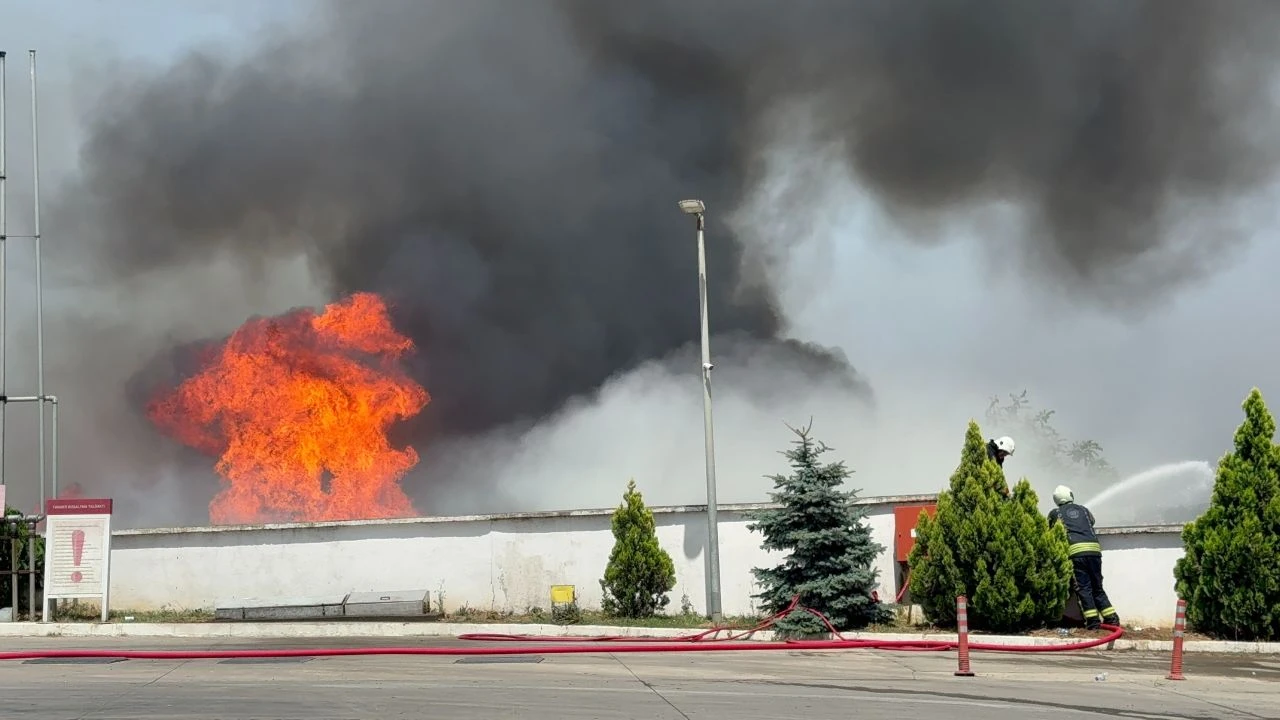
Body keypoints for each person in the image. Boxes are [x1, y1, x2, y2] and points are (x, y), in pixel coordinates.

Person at [1048, 485, 1119, 630]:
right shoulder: (1085, 510)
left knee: (1084, 588)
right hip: (1094, 551)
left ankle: (1093, 622)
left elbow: (1050, 530)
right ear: (1071, 495)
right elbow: (1091, 522)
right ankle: (1112, 619)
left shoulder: (1055, 513)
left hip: (1076, 554)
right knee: (1097, 587)